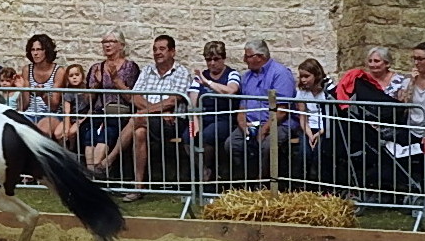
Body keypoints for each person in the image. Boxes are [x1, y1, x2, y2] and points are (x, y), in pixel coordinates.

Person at [101, 34, 192, 200]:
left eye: (162, 49)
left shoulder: (181, 72)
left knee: (137, 118)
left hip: (172, 122)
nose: (157, 52)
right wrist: (154, 111)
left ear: (172, 52)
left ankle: (109, 159)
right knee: (139, 133)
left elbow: (174, 99)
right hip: (153, 118)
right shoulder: (147, 71)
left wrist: (147, 112)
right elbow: (135, 97)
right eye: (155, 49)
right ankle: (138, 188)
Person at [227, 39, 298, 177]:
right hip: (252, 123)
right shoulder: (246, 77)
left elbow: (282, 111)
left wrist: (264, 130)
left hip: (278, 123)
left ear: (260, 57)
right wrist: (242, 124)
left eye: (247, 56)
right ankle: (244, 184)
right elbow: (242, 105)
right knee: (232, 144)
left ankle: (265, 186)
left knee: (266, 146)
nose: (244, 60)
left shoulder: (280, 74)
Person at [80, 30, 139, 178]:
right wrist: (97, 84)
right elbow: (88, 99)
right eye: (105, 42)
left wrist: (116, 80)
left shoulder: (130, 67)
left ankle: (95, 173)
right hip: (99, 112)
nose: (107, 45)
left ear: (121, 45)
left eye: (111, 41)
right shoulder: (96, 68)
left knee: (107, 133)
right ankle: (92, 175)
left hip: (119, 112)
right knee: (90, 135)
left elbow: (133, 97)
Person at [191, 40, 243, 181]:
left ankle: (209, 167)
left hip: (224, 118)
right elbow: (193, 101)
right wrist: (194, 121)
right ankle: (203, 169)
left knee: (206, 136)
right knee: (187, 136)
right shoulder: (199, 77)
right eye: (208, 60)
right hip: (203, 116)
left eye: (216, 59)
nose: (212, 63)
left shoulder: (232, 74)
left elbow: (231, 90)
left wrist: (208, 83)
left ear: (223, 58)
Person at [293, 57, 336, 185]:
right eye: (301, 76)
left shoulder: (328, 90)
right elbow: (303, 116)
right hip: (308, 128)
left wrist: (320, 133)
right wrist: (310, 134)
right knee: (304, 152)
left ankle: (321, 186)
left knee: (320, 153)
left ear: (316, 75)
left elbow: (331, 115)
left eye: (307, 76)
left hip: (326, 128)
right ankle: (301, 185)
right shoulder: (302, 92)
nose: (303, 80)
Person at [19, 33, 65, 141]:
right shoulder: (27, 69)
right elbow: (25, 104)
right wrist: (22, 89)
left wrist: (43, 94)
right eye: (33, 50)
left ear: (47, 51)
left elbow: (54, 105)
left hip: (50, 114)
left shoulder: (59, 71)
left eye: (39, 49)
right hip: (30, 112)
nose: (35, 53)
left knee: (40, 132)